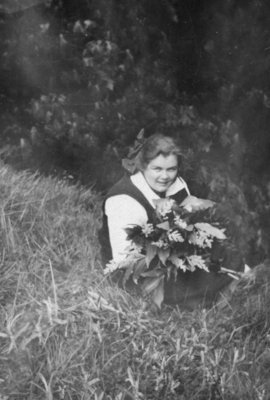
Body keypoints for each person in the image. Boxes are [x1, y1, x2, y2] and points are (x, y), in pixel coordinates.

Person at [99, 133, 234, 308]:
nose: (164, 176)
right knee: (202, 284)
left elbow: (186, 219)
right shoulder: (124, 199)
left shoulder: (175, 184)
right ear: (143, 166)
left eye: (171, 169)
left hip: (172, 255)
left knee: (225, 249)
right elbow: (125, 259)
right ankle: (213, 292)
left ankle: (221, 283)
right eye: (157, 169)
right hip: (137, 269)